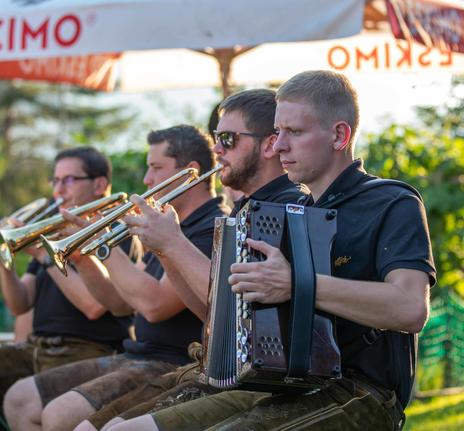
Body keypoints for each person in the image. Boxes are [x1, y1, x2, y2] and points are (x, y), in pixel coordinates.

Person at [110, 70, 435, 431]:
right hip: (282, 383)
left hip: (360, 393)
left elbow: (410, 309)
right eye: (278, 132)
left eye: (294, 133)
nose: (279, 145)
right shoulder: (292, 210)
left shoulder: (391, 201)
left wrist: (297, 284)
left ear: (339, 135)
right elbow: (227, 317)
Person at [77, 89, 308, 431]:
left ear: (269, 144)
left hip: (258, 379)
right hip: (214, 366)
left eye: (227, 139)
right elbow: (212, 313)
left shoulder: (287, 207)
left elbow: (234, 309)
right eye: (217, 138)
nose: (217, 149)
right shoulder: (247, 209)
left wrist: (171, 243)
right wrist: (166, 248)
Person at [1, 125, 228, 431]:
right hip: (138, 354)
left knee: (58, 415)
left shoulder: (210, 227)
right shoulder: (169, 222)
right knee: (20, 398)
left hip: (171, 361)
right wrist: (84, 256)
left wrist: (105, 245)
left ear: (190, 171)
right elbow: (120, 304)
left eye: (156, 168)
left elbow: (153, 306)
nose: (147, 179)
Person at [0, 147, 132, 431]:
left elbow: (93, 307)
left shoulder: (115, 232)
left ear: (100, 184)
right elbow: (21, 303)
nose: (58, 189)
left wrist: (43, 255)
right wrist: (3, 253)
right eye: (55, 180)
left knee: (24, 400)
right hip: (34, 348)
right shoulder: (52, 232)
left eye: (69, 180)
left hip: (88, 351)